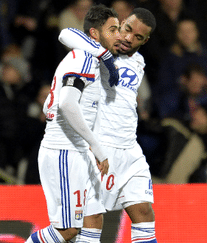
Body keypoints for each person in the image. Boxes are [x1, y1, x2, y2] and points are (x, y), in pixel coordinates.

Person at [58, 7, 158, 242]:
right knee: (88, 224)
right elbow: (64, 34)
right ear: (121, 24)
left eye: (138, 37)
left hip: (130, 151)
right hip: (100, 149)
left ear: (146, 40)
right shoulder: (98, 49)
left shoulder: (139, 62)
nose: (129, 38)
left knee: (144, 212)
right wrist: (101, 53)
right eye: (128, 30)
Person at [24, 5, 120, 243]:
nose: (118, 35)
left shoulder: (88, 59)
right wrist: (98, 148)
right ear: (95, 34)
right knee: (67, 230)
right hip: (64, 152)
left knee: (93, 218)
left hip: (78, 150)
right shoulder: (85, 59)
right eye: (112, 29)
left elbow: (54, 103)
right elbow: (67, 104)